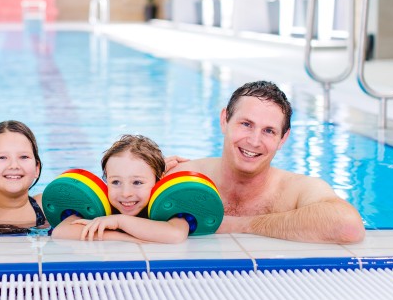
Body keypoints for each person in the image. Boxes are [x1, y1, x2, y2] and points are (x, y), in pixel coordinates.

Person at [165, 80, 365, 244]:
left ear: (283, 138)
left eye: (269, 131)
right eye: (246, 124)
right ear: (224, 120)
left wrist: (240, 225)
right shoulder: (184, 177)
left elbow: (348, 227)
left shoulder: (295, 190)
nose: (254, 141)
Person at [52, 134, 189, 243]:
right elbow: (60, 231)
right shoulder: (103, 207)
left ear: (158, 181)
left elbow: (176, 234)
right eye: (116, 182)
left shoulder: (167, 205)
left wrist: (119, 221)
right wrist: (123, 237)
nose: (126, 193)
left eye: (137, 182)